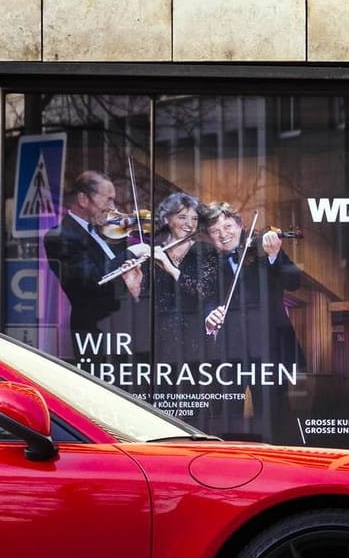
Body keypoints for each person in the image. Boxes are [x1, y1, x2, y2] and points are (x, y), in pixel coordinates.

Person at [201, 203, 307, 444]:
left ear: (240, 226)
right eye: (215, 230)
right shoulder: (209, 264)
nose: (223, 234)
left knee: (275, 413)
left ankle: (281, 460)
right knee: (226, 413)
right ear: (210, 237)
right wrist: (209, 317)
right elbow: (205, 300)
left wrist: (274, 254)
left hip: (268, 349)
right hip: (229, 352)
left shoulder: (262, 253)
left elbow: (293, 281)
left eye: (228, 226)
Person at [42, 170, 144, 356]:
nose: (113, 207)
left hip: (130, 326)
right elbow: (91, 279)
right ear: (83, 199)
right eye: (108, 200)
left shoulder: (109, 231)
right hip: (96, 330)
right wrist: (131, 252)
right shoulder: (59, 237)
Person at [144, 191, 222, 369]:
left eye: (194, 219)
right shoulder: (152, 251)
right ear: (166, 219)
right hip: (156, 339)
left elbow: (203, 291)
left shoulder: (205, 251)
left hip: (193, 339)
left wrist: (170, 267)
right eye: (182, 217)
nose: (189, 224)